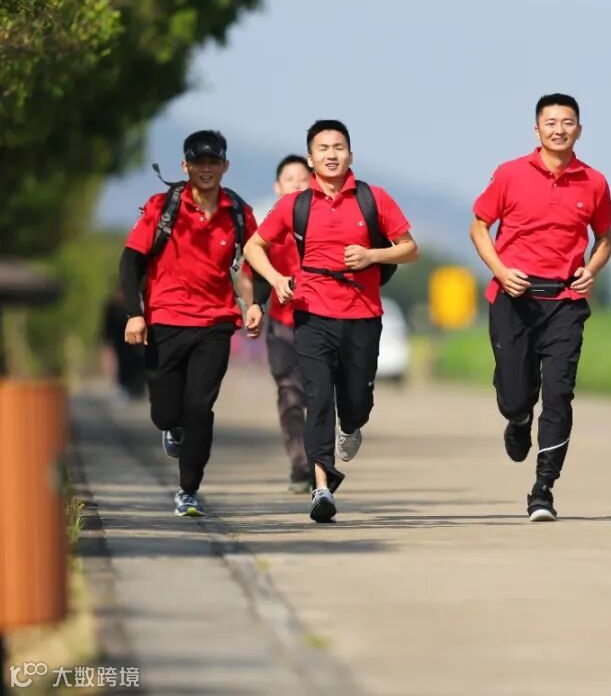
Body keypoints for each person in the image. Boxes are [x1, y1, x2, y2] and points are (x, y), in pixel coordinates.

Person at [244, 120, 419, 523]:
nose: (331, 154)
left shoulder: (374, 199)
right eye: (322, 148)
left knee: (356, 402)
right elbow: (254, 247)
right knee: (318, 398)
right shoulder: (296, 204)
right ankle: (321, 487)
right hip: (312, 314)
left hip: (363, 315)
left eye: (338, 147)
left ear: (350, 155)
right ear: (311, 159)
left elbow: (410, 249)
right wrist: (275, 280)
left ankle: (352, 425)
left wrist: (372, 256)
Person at [470, 93, 611, 523]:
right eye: (551, 123)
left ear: (579, 130)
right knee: (516, 397)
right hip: (514, 298)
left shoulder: (594, 182)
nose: (559, 130)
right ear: (537, 130)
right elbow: (479, 226)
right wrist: (500, 270)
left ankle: (543, 488)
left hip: (565, 301)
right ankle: (517, 421)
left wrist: (591, 269)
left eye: (567, 122)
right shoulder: (510, 174)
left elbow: (604, 239)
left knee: (559, 393)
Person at [119, 130, 265, 517]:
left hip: (216, 322)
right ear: (185, 165)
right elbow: (130, 261)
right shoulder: (162, 207)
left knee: (200, 407)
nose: (206, 168)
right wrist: (135, 312)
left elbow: (257, 262)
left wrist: (255, 304)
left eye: (213, 162)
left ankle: (188, 491)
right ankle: (173, 427)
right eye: (198, 161)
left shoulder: (239, 212)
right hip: (165, 319)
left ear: (225, 166)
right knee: (166, 413)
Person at [263, 155, 313, 494]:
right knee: (290, 394)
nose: (296, 184)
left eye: (302, 178)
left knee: (319, 395)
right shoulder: (268, 230)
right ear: (278, 187)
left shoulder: (324, 224)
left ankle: (321, 463)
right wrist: (254, 305)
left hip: (320, 321)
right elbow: (250, 272)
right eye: (289, 179)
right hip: (282, 323)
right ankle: (299, 464)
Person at [101, 286, 146, 403]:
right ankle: (126, 389)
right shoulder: (112, 307)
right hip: (120, 343)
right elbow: (107, 327)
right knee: (123, 366)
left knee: (138, 364)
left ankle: (138, 390)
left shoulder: (135, 306)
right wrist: (106, 344)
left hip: (136, 343)